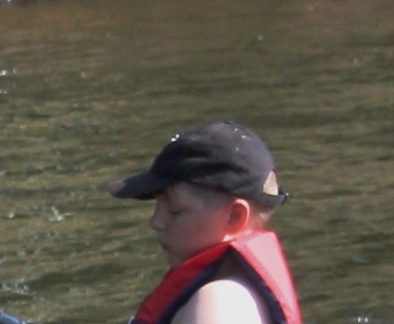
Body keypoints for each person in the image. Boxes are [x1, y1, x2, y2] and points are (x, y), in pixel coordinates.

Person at [108, 121, 303, 324]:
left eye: (175, 210)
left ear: (234, 217)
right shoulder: (232, 291)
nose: (156, 222)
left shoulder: (219, 304)